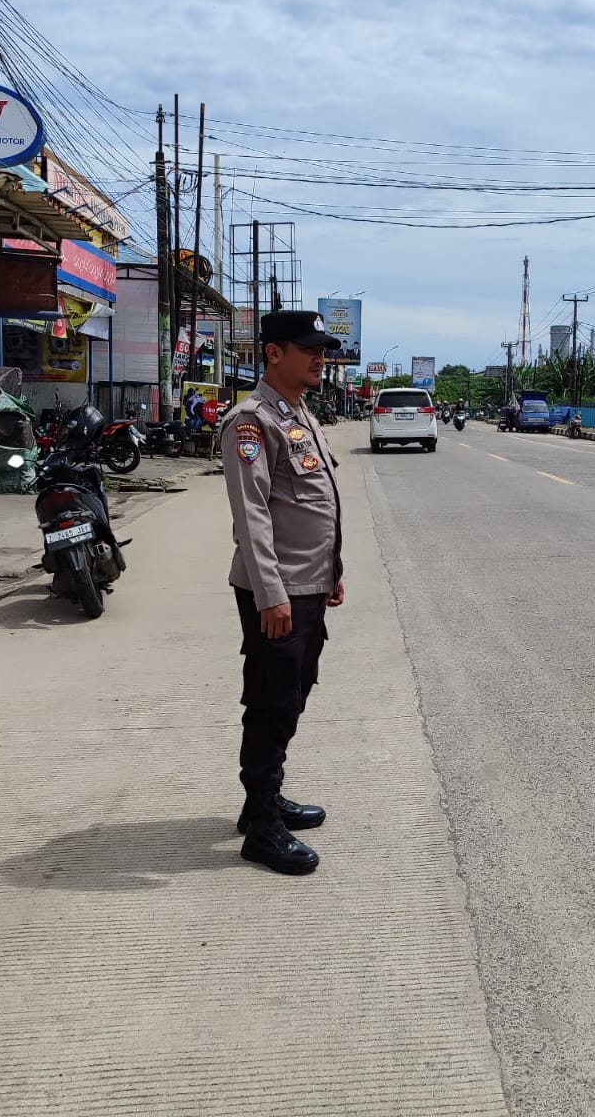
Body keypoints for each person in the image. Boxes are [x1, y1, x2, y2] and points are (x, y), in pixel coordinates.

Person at [219, 310, 345, 875]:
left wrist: (331, 570)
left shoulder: (299, 413)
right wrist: (271, 594)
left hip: (307, 583)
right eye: (308, 348)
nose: (320, 358)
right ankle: (262, 829)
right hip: (279, 591)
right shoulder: (251, 421)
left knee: (294, 691)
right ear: (274, 353)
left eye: (322, 349)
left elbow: (312, 503)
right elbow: (252, 515)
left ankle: (261, 802)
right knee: (272, 701)